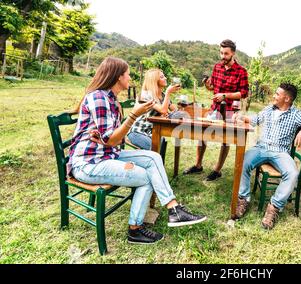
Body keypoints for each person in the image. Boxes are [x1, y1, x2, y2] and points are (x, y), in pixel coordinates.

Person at [67, 57, 207, 245]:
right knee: (146, 176)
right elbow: (111, 139)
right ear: (118, 77)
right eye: (127, 74)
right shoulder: (99, 98)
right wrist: (133, 115)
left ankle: (174, 209)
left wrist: (107, 138)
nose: (130, 77)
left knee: (153, 157)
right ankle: (135, 229)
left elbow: (112, 139)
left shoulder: (110, 98)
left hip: (108, 154)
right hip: (89, 163)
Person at [232, 83, 301, 230]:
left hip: (280, 152)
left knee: (293, 173)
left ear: (287, 98)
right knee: (242, 162)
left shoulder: (296, 114)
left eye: (277, 94)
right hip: (261, 147)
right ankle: (243, 199)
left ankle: (274, 208)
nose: (274, 96)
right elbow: (256, 119)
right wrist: (242, 117)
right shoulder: (269, 109)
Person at [183, 39, 249, 181]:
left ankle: (217, 170)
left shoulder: (241, 71)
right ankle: (198, 165)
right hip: (215, 109)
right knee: (202, 134)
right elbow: (213, 88)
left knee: (225, 140)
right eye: (221, 53)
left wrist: (225, 95)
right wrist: (207, 85)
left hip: (230, 111)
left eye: (226, 54)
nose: (222, 56)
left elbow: (244, 93)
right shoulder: (217, 67)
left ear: (233, 53)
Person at [127, 69, 180, 150]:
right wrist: (168, 92)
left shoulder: (163, 95)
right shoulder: (146, 95)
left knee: (161, 143)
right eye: (162, 77)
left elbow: (176, 111)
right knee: (155, 148)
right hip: (137, 132)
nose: (165, 78)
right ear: (154, 80)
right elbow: (163, 110)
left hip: (152, 133)